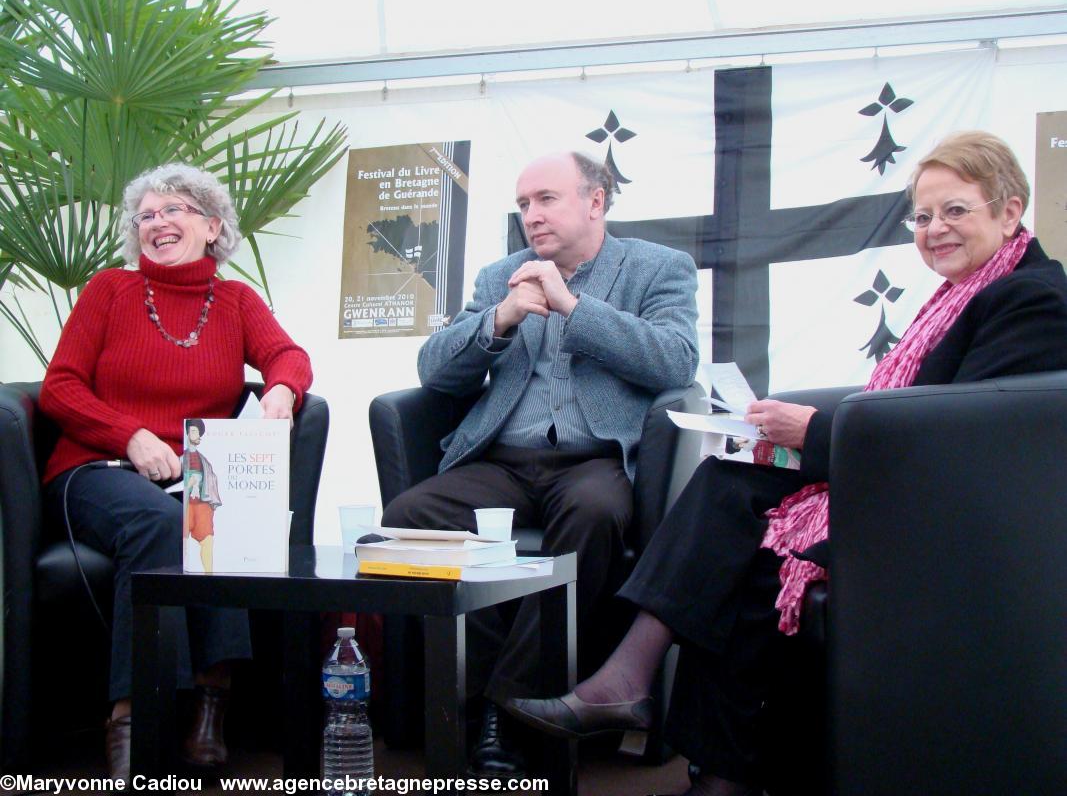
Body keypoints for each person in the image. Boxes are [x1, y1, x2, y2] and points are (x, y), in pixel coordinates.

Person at [505, 130, 1067, 796]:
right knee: (730, 483)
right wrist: (790, 434)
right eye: (920, 216)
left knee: (750, 544)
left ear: (1008, 211)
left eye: (954, 211)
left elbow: (959, 441)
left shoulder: (1029, 298)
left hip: (951, 517)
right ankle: (675, 731)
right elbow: (921, 414)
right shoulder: (963, 291)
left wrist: (817, 431)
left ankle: (650, 704)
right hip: (910, 482)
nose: (932, 230)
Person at [381, 151, 699, 776]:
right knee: (410, 516)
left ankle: (502, 709)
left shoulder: (658, 269)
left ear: (596, 201)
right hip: (503, 459)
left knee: (596, 514)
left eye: (546, 199)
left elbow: (675, 362)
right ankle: (492, 694)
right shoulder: (502, 274)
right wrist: (500, 319)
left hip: (593, 461)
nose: (531, 215)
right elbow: (433, 372)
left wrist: (575, 310)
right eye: (524, 204)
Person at [39, 163, 312, 780]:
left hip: (189, 474)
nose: (157, 223)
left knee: (215, 516)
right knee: (172, 521)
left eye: (174, 211)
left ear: (213, 227)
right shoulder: (108, 291)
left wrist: (281, 392)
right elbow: (59, 388)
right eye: (147, 216)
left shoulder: (237, 301)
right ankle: (134, 716)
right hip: (95, 466)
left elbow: (288, 356)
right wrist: (128, 435)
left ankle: (211, 707)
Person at [183, 418, 221, 573]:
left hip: (202, 502)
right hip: (186, 502)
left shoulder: (204, 459)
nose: (196, 434)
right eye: (193, 431)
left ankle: (209, 576)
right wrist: (189, 485)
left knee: (208, 539)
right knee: (183, 539)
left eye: (198, 432)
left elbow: (211, 478)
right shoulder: (182, 457)